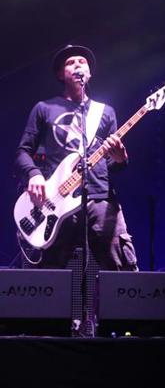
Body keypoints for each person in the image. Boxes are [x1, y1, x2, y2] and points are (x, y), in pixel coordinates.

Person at [14, 44, 138, 271]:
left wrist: (120, 158)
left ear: (89, 73)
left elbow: (111, 165)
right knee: (49, 274)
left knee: (120, 268)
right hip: (56, 200)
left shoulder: (105, 112)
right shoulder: (44, 108)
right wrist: (34, 175)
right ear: (61, 74)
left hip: (99, 197)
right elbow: (23, 152)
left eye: (82, 62)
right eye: (70, 63)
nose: (77, 65)